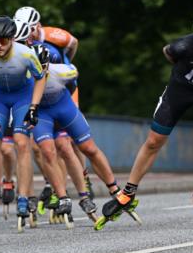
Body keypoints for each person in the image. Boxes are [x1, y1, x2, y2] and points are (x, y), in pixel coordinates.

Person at [99, 11, 193, 227]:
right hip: (179, 91)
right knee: (154, 141)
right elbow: (168, 54)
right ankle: (128, 192)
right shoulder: (180, 47)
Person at [13, 18, 119, 224]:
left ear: (28, 41)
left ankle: (111, 189)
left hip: (61, 102)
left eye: (21, 43)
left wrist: (57, 79)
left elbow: (72, 77)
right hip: (40, 111)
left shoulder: (48, 52)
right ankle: (62, 197)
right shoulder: (8, 62)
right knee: (47, 151)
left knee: (84, 147)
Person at [0, 16, 46, 230]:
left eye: (3, 40)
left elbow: (40, 78)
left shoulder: (26, 54)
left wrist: (34, 107)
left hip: (23, 96)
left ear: (12, 39)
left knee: (22, 143)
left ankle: (23, 197)